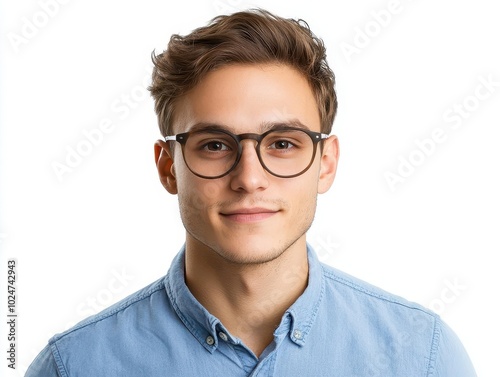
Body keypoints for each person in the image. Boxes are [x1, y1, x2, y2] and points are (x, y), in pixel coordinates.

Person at [26, 8, 476, 376]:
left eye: (282, 144)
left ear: (326, 163)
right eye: (215, 145)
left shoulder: (425, 357)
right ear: (168, 167)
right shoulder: (73, 366)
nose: (249, 178)